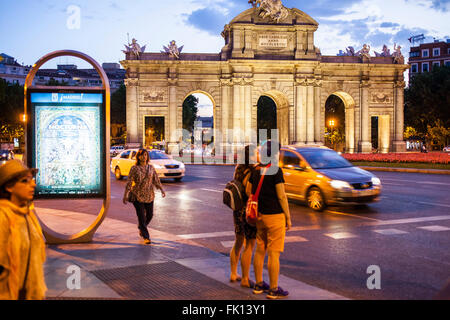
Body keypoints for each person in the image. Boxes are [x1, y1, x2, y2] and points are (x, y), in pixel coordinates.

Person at [246, 140, 292, 299]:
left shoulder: (256, 170)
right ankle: (273, 289)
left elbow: (249, 191)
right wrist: (288, 216)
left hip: (259, 216)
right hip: (275, 216)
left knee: (260, 250)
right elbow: (281, 195)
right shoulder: (276, 170)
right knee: (274, 254)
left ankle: (258, 284)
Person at [0, 160, 47, 300]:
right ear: (9, 187)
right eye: (25, 181)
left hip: (31, 292)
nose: (33, 184)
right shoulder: (3, 217)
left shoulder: (27, 214)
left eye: (32, 179)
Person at [123, 149, 166, 244]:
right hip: (137, 195)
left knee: (150, 215)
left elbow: (156, 180)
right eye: (142, 155)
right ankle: (146, 237)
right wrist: (125, 194)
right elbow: (129, 182)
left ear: (147, 157)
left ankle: (141, 227)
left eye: (145, 155)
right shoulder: (134, 168)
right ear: (138, 157)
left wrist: (162, 189)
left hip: (149, 194)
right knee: (141, 216)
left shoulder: (151, 168)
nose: (144, 157)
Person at [229, 145, 258, 288]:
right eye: (256, 153)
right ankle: (246, 278)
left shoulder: (238, 169)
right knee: (250, 245)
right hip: (247, 211)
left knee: (238, 242)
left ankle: (234, 273)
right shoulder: (252, 171)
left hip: (237, 210)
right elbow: (249, 191)